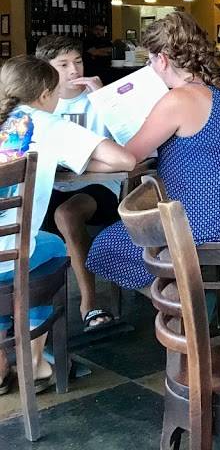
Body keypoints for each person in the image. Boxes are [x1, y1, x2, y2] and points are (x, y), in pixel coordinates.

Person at [87, 12, 220, 293]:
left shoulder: (178, 99)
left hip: (199, 221)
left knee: (106, 246)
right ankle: (181, 289)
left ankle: (181, 301)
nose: (150, 66)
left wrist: (81, 163)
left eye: (150, 60)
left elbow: (128, 158)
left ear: (163, 59)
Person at [0, 56, 135, 394]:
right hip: (10, 258)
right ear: (46, 94)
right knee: (48, 248)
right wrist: (80, 159)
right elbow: (125, 159)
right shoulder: (48, 125)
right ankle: (35, 363)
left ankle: (0, 366)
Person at [34, 36, 122, 330]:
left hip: (100, 187)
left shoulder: (99, 98)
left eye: (78, 61)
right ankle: (34, 315)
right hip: (53, 185)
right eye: (63, 64)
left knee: (67, 214)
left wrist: (105, 100)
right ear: (45, 69)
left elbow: (128, 142)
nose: (74, 70)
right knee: (27, 213)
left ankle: (89, 303)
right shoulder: (39, 105)